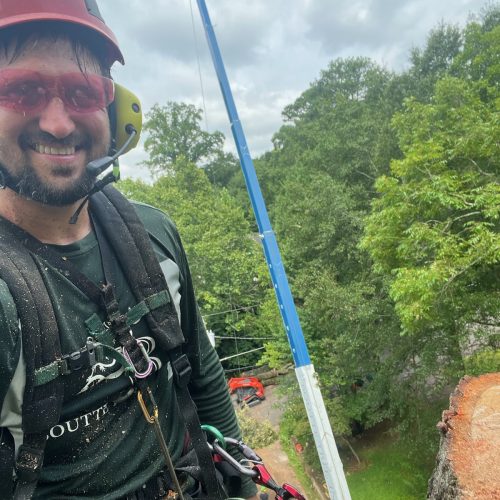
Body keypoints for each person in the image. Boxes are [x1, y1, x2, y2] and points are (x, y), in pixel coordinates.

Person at [0, 1, 259, 499]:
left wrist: (242, 487)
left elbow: (200, 373)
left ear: (114, 109)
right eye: (23, 89)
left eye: (82, 93)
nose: (58, 123)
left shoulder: (150, 233)